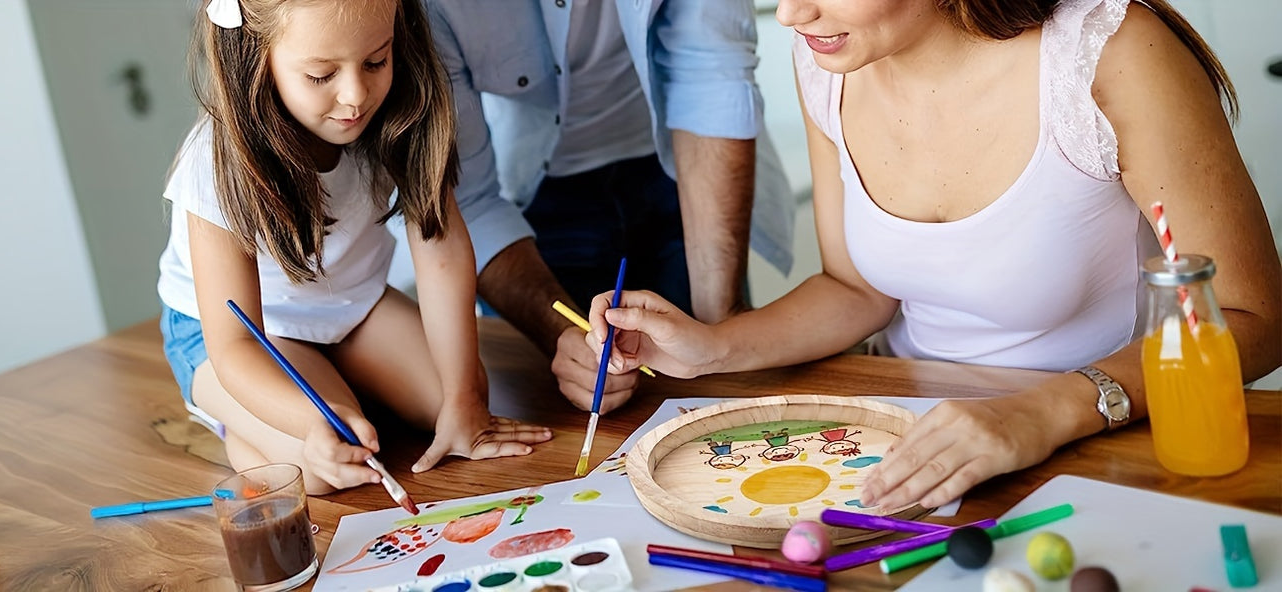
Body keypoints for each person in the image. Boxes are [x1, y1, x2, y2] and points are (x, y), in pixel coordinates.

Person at [584, 0, 1282, 512]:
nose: (792, 14)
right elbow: (855, 288)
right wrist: (710, 347)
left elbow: (1254, 316)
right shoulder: (829, 57)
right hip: (912, 442)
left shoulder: (1110, 52)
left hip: (1115, 440)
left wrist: (1041, 413)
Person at [157, 0, 551, 495]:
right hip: (240, 339)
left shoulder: (401, 109)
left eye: (376, 61)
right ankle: (236, 426)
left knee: (460, 399)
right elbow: (235, 345)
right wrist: (308, 419)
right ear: (256, 61)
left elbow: (440, 250)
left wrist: (463, 397)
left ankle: (337, 378)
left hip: (351, 304)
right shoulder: (215, 162)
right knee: (324, 467)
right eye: (322, 75)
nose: (356, 95)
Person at [423, 0, 798, 413]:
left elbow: (712, 78)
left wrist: (721, 330)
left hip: (680, 171)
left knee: (718, 390)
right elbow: (466, 200)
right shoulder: (426, 8)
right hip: (529, 201)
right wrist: (564, 336)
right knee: (573, 393)